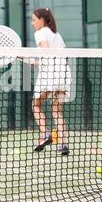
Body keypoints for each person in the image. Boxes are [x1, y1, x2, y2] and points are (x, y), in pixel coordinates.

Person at [30, 8, 71, 156]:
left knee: (35, 105)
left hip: (49, 74)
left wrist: (33, 59)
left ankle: (45, 134)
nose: (32, 23)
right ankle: (63, 144)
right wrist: (35, 60)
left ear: (42, 20)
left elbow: (46, 53)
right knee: (57, 111)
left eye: (34, 20)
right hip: (64, 73)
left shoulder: (39, 33)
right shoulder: (57, 34)